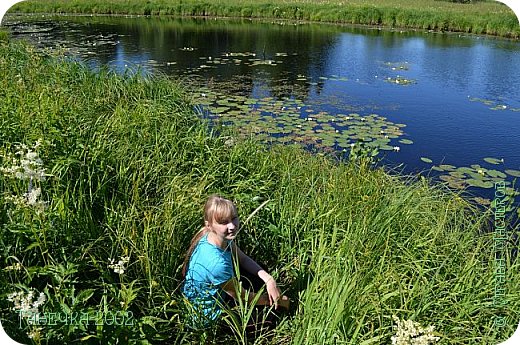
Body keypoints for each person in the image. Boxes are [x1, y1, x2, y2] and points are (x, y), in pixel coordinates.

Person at [182, 195, 289, 328]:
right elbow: (243, 297)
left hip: (219, 289)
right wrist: (281, 301)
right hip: (211, 316)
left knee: (261, 269)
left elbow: (242, 259)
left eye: (234, 218)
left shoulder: (216, 237)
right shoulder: (217, 264)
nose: (232, 226)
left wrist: (269, 279)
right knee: (268, 319)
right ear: (209, 225)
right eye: (223, 222)